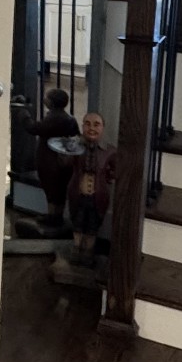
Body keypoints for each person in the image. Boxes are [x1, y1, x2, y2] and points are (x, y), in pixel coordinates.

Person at [13, 87, 80, 228]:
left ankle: (53, 216)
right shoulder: (69, 118)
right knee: (59, 189)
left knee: (51, 188)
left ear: (52, 102)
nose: (44, 99)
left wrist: (23, 112)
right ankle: (56, 215)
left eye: (47, 97)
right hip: (62, 158)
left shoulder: (54, 118)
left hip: (50, 159)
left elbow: (34, 128)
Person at [64, 111, 116, 265]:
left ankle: (88, 251)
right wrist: (68, 150)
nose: (91, 128)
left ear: (103, 128)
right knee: (77, 222)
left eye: (96, 124)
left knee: (93, 224)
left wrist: (108, 177)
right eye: (87, 124)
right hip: (78, 194)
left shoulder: (109, 151)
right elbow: (65, 165)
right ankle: (76, 248)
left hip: (97, 196)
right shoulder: (76, 147)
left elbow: (115, 169)